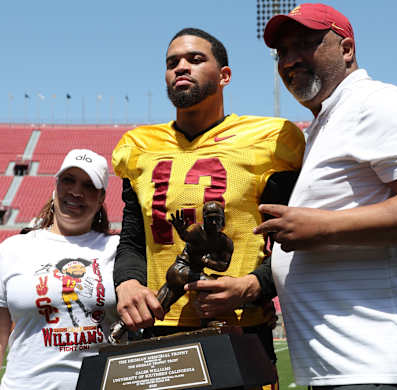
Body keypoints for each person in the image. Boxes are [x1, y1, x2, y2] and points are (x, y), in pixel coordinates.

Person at [257, 3, 397, 389]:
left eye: (306, 43)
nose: (291, 59)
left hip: (389, 362)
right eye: (282, 52)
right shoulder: (330, 119)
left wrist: (323, 227)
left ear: (346, 49)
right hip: (361, 360)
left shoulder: (377, 103)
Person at [112, 27, 304, 381]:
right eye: (173, 63)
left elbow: (292, 244)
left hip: (239, 328)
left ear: (224, 75)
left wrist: (252, 285)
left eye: (195, 59)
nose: (181, 67)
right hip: (157, 330)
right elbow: (133, 241)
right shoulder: (138, 146)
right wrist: (126, 282)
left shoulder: (271, 140)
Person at [0, 149, 120, 389]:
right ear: (56, 185)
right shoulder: (12, 249)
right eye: (68, 180)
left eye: (89, 185)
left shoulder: (120, 250)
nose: (76, 192)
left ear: (102, 197)